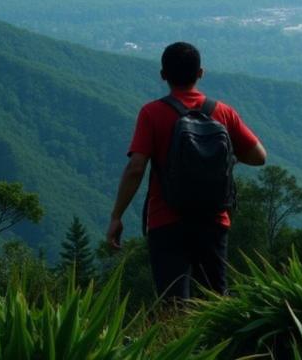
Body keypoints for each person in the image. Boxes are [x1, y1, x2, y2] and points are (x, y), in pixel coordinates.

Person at [106, 41, 267, 301]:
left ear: (163, 75)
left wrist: (116, 216)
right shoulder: (222, 112)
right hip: (214, 220)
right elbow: (259, 156)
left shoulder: (152, 113)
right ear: (200, 73)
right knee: (214, 303)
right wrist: (227, 159)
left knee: (172, 304)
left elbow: (136, 168)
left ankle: (179, 342)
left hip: (166, 220)